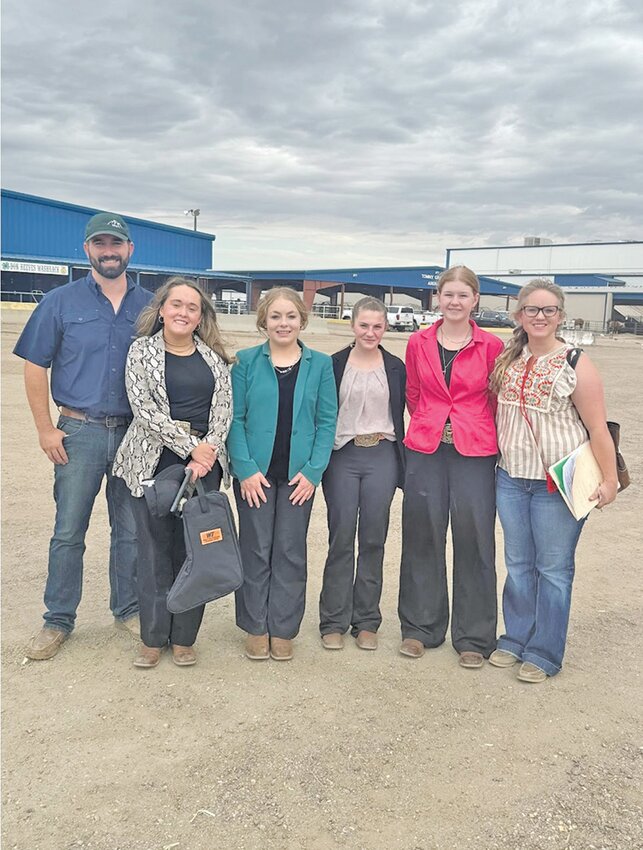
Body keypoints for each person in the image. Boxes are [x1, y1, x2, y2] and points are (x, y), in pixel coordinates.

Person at [14, 212, 153, 660]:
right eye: (100, 244)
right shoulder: (60, 303)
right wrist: (44, 428)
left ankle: (128, 609)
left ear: (130, 250)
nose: (108, 251)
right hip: (79, 431)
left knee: (130, 530)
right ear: (87, 250)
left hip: (134, 434)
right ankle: (57, 620)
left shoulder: (150, 306)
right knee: (69, 531)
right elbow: (35, 364)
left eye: (116, 244)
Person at [489, 279, 617, 683]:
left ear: (560, 316)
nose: (540, 317)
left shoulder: (575, 363)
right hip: (510, 478)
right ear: (519, 315)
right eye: (532, 310)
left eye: (548, 311)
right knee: (518, 564)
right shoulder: (508, 361)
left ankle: (544, 651)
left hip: (557, 485)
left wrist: (610, 480)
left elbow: (598, 429)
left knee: (554, 569)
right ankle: (516, 636)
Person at [112, 278, 233, 668]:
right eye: (176, 304)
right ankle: (152, 637)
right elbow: (144, 410)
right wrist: (189, 447)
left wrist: (205, 454)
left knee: (194, 552)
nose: (183, 312)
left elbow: (223, 412)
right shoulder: (140, 352)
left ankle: (184, 638)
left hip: (204, 467)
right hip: (152, 462)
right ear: (161, 309)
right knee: (153, 551)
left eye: (192, 307)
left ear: (200, 318)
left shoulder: (214, 359)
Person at [398, 266, 504, 668]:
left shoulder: (493, 345)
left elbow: (495, 398)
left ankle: (474, 635)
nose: (455, 302)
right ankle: (421, 627)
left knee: (474, 538)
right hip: (426, 449)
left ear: (475, 299)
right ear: (437, 299)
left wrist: (469, 427)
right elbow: (413, 392)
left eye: (463, 295)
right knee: (422, 534)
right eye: (448, 295)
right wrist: (432, 423)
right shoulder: (418, 342)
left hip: (474, 452)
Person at [227, 287, 337, 662]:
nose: (283, 323)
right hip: (255, 475)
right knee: (255, 549)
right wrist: (244, 470)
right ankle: (255, 625)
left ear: (302, 321)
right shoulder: (244, 362)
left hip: (297, 477)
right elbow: (234, 421)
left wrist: (313, 472)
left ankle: (284, 627)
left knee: (290, 551)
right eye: (276, 316)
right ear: (264, 321)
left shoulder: (320, 365)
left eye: (291, 316)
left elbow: (326, 422)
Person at [319, 297, 406, 651]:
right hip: (343, 455)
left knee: (373, 538)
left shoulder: (396, 367)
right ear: (352, 325)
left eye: (378, 326)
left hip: (382, 454)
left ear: (385, 328)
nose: (370, 332)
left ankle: (367, 620)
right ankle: (333, 620)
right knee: (341, 537)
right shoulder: (333, 365)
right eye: (364, 325)